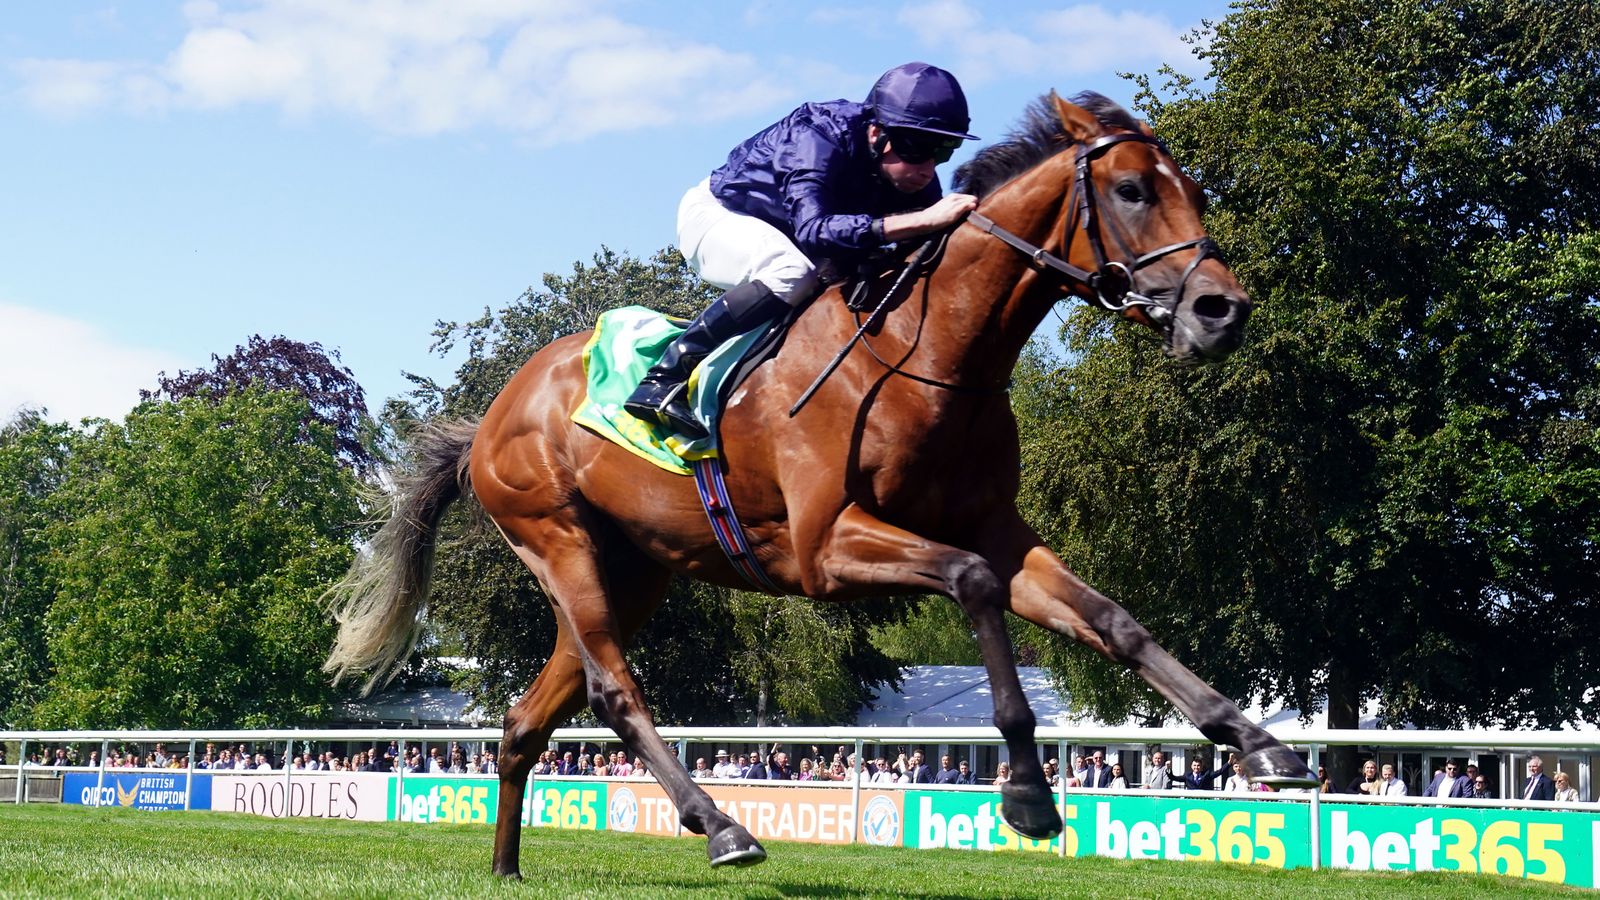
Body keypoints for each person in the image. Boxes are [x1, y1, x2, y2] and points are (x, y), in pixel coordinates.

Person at [623, 61, 981, 437]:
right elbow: (813, 230)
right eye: (918, 149)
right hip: (719, 215)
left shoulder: (915, 179)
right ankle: (664, 376)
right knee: (792, 273)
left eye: (943, 152)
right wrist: (920, 221)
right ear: (877, 133)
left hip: (791, 240)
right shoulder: (817, 134)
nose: (927, 167)